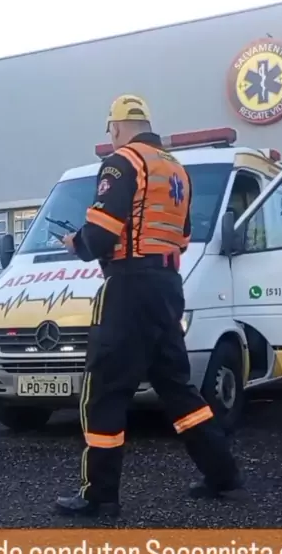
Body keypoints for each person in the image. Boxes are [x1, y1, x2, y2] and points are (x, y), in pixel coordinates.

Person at [55, 94, 246, 522]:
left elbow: (101, 236)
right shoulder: (176, 169)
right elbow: (183, 237)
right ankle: (223, 475)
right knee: (178, 388)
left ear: (117, 127)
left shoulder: (121, 162)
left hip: (127, 286)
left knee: (104, 391)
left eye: (111, 130)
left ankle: (100, 496)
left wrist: (76, 243)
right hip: (166, 286)